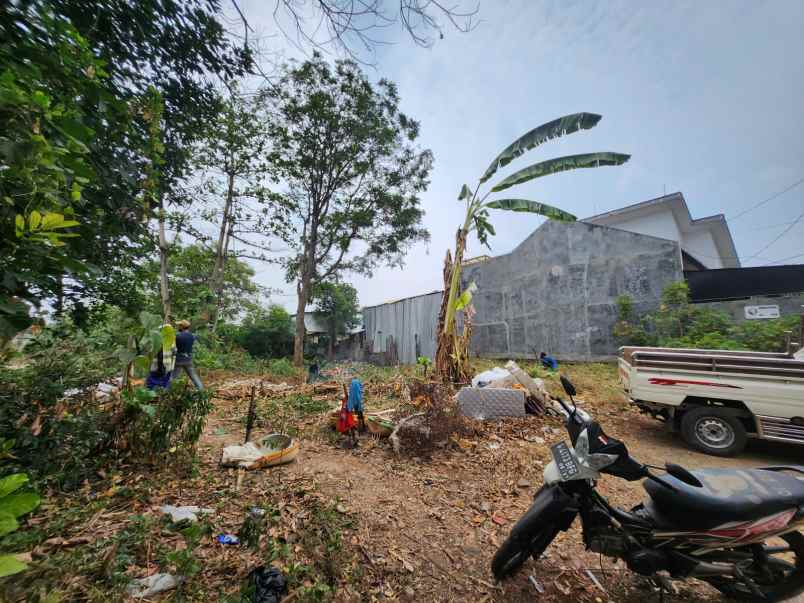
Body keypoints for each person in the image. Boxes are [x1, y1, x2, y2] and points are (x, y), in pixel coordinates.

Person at [175, 319, 204, 390]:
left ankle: (165, 391)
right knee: (193, 376)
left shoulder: (178, 336)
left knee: (173, 377)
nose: (178, 327)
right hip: (188, 359)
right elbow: (195, 337)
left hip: (179, 359)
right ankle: (201, 390)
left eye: (179, 325)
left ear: (182, 327)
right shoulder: (192, 336)